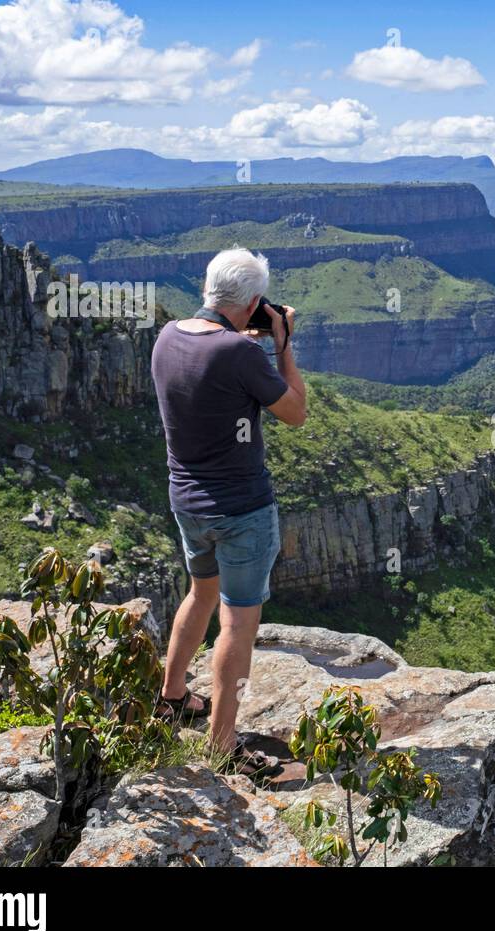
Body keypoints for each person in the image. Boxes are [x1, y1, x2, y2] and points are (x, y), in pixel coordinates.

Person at [149, 248, 307, 776]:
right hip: (242, 509)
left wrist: (242, 340)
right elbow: (296, 413)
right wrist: (282, 348)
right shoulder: (241, 355)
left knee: (200, 592)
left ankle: (171, 699)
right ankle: (222, 742)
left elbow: (208, 361)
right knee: (238, 624)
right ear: (255, 302)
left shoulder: (169, 335)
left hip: (186, 502)